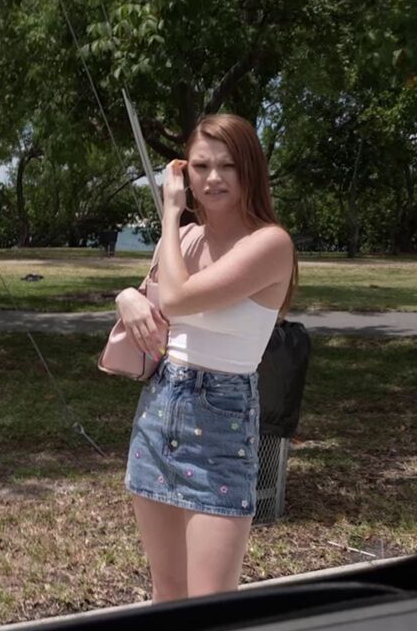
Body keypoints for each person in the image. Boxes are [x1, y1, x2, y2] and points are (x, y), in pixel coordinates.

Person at [112, 113, 298, 602]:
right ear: (184, 172)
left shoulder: (270, 243)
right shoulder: (187, 240)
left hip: (222, 422)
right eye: (200, 166)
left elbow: (176, 299)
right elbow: (151, 299)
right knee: (167, 593)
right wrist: (125, 298)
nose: (213, 177)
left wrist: (170, 214)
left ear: (250, 169)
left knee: (211, 605)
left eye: (228, 165)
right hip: (159, 412)